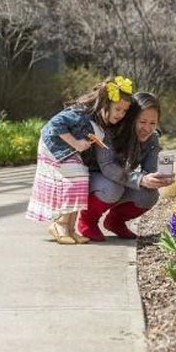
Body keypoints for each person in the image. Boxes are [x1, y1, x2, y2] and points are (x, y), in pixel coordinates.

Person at [26, 76, 133, 245]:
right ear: (105, 104)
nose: (121, 114)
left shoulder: (101, 120)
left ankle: (70, 228)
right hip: (53, 146)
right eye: (117, 109)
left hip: (68, 149)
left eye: (124, 111)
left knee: (81, 177)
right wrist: (75, 142)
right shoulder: (82, 113)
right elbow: (55, 124)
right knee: (76, 176)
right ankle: (59, 224)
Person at [77, 92, 174, 241]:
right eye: (142, 122)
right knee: (113, 188)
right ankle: (87, 220)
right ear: (131, 118)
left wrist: (158, 179)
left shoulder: (152, 138)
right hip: (93, 179)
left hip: (118, 180)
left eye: (152, 123)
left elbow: (149, 171)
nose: (147, 128)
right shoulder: (109, 132)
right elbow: (108, 166)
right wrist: (140, 179)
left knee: (150, 194)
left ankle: (115, 222)